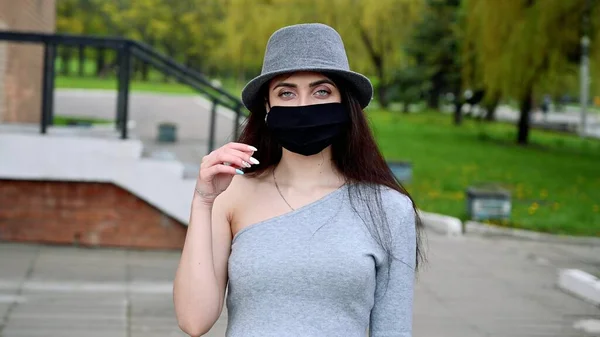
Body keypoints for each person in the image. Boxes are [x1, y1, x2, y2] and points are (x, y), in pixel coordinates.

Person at [173, 23, 424, 337]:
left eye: (321, 91)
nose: (303, 106)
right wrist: (202, 201)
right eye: (286, 93)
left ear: (345, 104)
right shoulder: (232, 196)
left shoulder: (389, 208)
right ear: (267, 107)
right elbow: (193, 321)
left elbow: (394, 330)